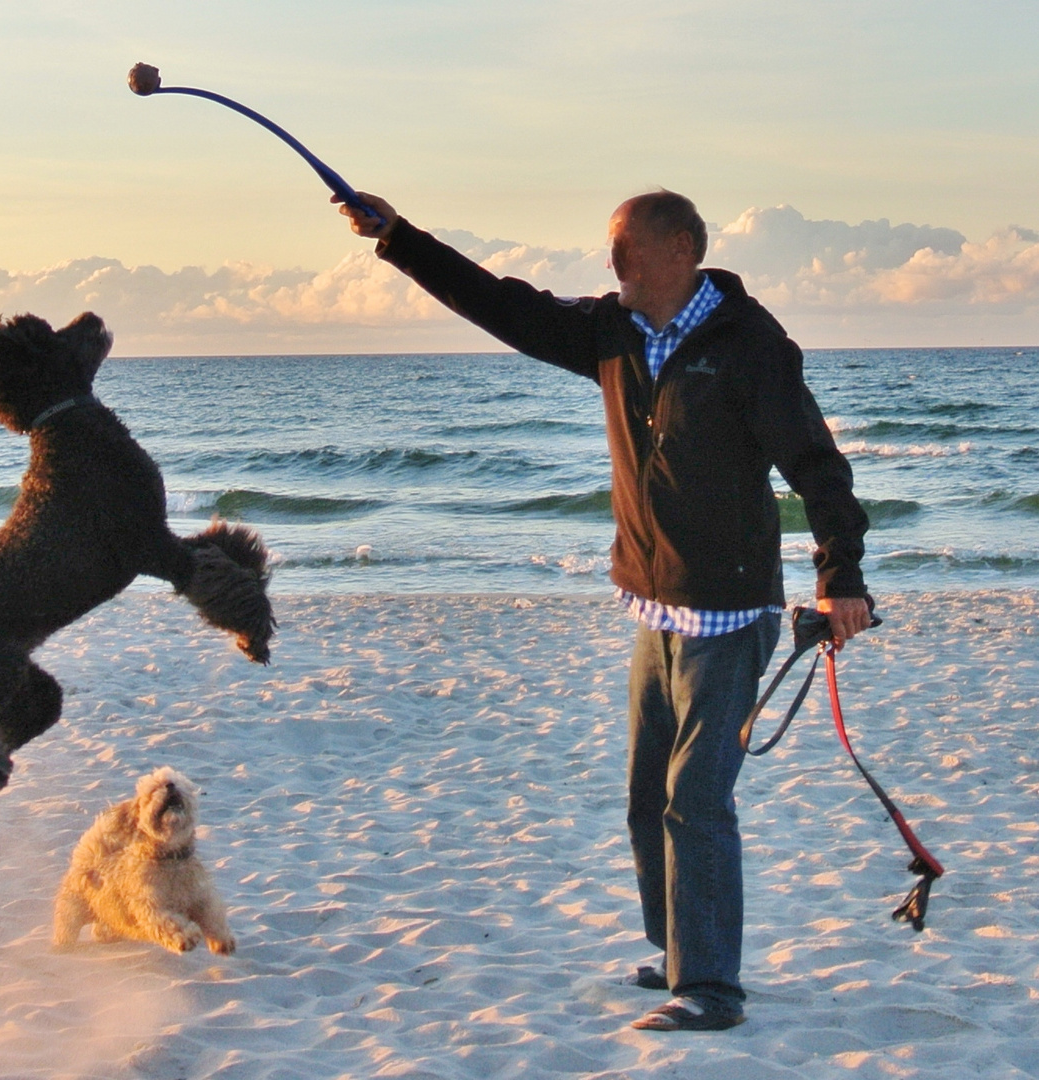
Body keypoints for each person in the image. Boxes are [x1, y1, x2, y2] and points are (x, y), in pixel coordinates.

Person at [337, 189, 873, 1032]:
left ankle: (710, 989)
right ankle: (676, 954)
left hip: (729, 615)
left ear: (682, 249)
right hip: (653, 606)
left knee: (697, 800)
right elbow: (503, 305)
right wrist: (399, 239)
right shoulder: (612, 332)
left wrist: (841, 575)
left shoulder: (751, 346)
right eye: (610, 247)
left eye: (626, 247)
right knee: (645, 796)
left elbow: (815, 461)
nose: (611, 262)